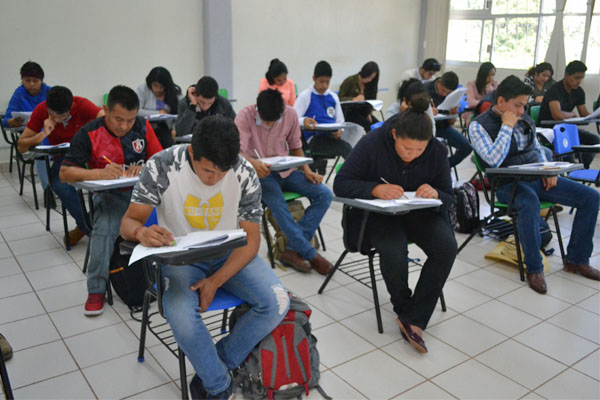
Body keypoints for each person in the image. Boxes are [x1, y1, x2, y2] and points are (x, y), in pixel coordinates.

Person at [120, 115, 289, 399]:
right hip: (180, 257)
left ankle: (213, 367)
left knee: (277, 302)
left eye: (222, 172)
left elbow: (251, 240)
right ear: (191, 152)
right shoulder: (162, 165)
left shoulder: (244, 171)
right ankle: (219, 385)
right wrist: (141, 232)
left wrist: (215, 281)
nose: (214, 179)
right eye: (208, 170)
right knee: (181, 317)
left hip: (230, 253)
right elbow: (127, 223)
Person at [333, 95, 456, 354]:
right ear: (394, 135)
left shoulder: (436, 151)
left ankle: (414, 317)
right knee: (393, 248)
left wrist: (435, 192)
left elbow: (448, 196)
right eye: (406, 148)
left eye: (419, 151)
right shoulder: (372, 143)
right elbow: (341, 184)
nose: (412, 155)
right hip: (379, 215)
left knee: (446, 247)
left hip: (418, 213)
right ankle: (405, 310)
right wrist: (374, 189)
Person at [469, 75, 600, 294]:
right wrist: (506, 126)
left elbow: (537, 148)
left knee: (591, 197)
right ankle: (534, 268)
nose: (522, 111)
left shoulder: (525, 118)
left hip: (536, 178)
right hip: (508, 185)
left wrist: (547, 169)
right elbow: (493, 160)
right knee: (528, 202)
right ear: (500, 101)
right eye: (517, 105)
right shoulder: (478, 125)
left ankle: (577, 260)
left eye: (524, 105)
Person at [59, 85, 163, 316]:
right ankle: (96, 289)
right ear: (106, 110)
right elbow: (65, 173)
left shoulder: (143, 126)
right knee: (105, 228)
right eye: (118, 119)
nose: (124, 126)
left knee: (174, 216)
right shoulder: (89, 133)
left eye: (130, 120)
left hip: (141, 194)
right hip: (110, 195)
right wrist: (99, 173)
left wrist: (144, 168)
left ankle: (168, 277)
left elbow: (159, 161)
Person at [236, 89, 333, 275]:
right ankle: (311, 254)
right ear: (258, 109)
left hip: (286, 171)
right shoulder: (245, 116)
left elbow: (296, 146)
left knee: (324, 194)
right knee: (278, 205)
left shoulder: (290, 114)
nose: (270, 125)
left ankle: (290, 250)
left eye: (274, 121)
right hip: (261, 175)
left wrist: (307, 170)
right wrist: (254, 163)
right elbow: (237, 152)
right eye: (267, 121)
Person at [17, 86, 104, 246]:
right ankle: (89, 227)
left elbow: (107, 121)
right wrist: (43, 134)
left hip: (89, 153)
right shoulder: (41, 110)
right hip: (64, 157)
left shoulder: (82, 105)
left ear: (70, 107)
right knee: (58, 183)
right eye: (53, 115)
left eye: (62, 116)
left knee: (108, 184)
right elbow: (21, 146)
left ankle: (86, 227)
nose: (57, 119)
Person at [294, 60, 362, 175]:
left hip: (330, 137)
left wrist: (340, 131)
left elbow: (340, 121)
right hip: (313, 139)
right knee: (345, 149)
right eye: (321, 82)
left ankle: (355, 173)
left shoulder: (333, 97)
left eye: (327, 82)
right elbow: (293, 118)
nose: (324, 86)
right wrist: (304, 121)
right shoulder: (306, 96)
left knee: (348, 147)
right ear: (314, 78)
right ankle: (356, 173)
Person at [3, 61, 52, 194]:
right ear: (22, 80)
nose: (31, 84)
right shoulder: (19, 93)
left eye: (35, 81)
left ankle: (60, 186)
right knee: (41, 151)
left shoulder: (50, 92)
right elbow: (5, 120)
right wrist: (11, 122)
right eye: (27, 80)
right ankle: (47, 190)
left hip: (51, 133)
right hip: (30, 136)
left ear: (41, 80)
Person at [539, 60, 600, 167]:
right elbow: (557, 115)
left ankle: (583, 167)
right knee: (569, 145)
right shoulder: (554, 90)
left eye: (581, 78)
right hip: (550, 130)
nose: (579, 81)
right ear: (566, 75)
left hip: (566, 129)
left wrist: (595, 115)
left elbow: (584, 114)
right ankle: (572, 169)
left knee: (595, 140)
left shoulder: (578, 91)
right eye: (576, 78)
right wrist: (572, 115)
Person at [425, 72, 472, 168]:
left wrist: (452, 114)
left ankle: (443, 167)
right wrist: (428, 112)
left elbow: (451, 122)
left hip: (443, 127)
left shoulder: (453, 96)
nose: (445, 94)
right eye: (443, 90)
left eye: (448, 93)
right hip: (426, 127)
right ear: (439, 82)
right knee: (430, 151)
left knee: (466, 147)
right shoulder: (425, 89)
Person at [136, 66, 182, 149]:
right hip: (145, 126)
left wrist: (175, 129)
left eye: (162, 86)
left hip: (167, 128)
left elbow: (180, 113)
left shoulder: (174, 92)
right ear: (150, 83)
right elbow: (136, 111)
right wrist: (158, 113)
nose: (158, 89)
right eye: (155, 85)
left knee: (169, 142)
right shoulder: (142, 89)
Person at [338, 61, 380, 131]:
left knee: (379, 126)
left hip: (363, 113)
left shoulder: (371, 85)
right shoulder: (350, 81)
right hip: (349, 113)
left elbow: (371, 101)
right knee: (368, 125)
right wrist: (353, 99)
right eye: (369, 77)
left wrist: (369, 113)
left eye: (372, 78)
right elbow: (339, 98)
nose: (370, 80)